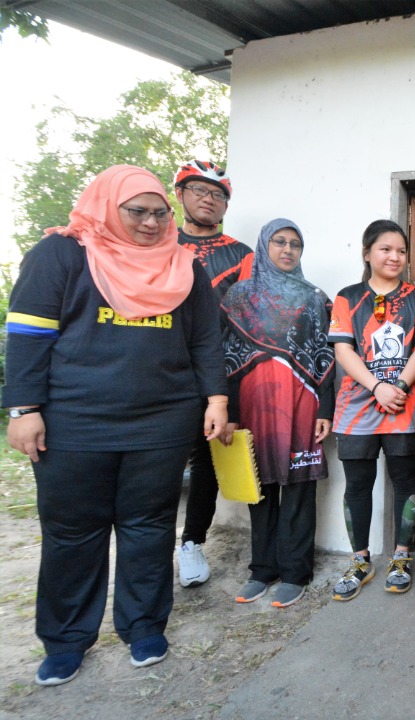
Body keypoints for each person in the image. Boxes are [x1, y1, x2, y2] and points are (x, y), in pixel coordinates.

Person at [3, 165, 229, 686]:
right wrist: (23, 408)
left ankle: (145, 626)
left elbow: (204, 342)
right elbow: (28, 334)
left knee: (149, 527)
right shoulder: (62, 255)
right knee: (71, 533)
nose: (151, 223)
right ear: (108, 207)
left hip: (162, 422)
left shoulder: (184, 267)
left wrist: (215, 397)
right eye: (137, 212)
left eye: (158, 214)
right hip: (74, 424)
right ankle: (65, 640)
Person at [221, 218, 335, 609]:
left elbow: (326, 357)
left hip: (302, 402)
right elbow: (226, 357)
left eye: (295, 244)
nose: (288, 250)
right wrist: (230, 411)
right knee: (261, 487)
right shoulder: (239, 297)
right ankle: (262, 569)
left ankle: (295, 571)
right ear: (264, 246)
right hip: (254, 404)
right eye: (280, 242)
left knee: (299, 487)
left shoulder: (314, 298)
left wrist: (325, 407)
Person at [328, 220, 415, 599]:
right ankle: (360, 560)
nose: (394, 256)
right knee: (357, 486)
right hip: (355, 410)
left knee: (406, 481)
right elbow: (343, 349)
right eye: (386, 249)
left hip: (403, 407)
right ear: (367, 252)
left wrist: (400, 386)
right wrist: (377, 386)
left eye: (401, 251)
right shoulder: (347, 297)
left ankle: (401, 556)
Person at [173, 159, 253, 589]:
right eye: (199, 190)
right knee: (162, 460)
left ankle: (192, 543)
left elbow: (254, 315)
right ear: (181, 194)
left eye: (218, 194)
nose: (209, 199)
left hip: (222, 372)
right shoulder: (158, 243)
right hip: (165, 369)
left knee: (207, 461)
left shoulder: (241, 254)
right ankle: (149, 543)